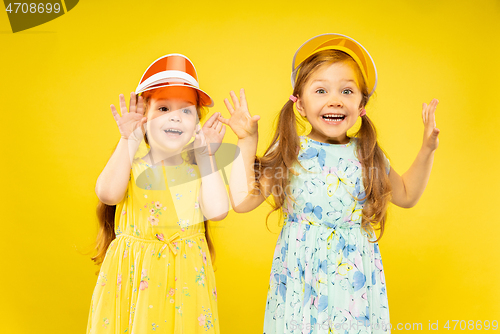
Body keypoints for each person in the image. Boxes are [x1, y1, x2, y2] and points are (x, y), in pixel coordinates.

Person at [219, 34, 440, 333]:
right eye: (321, 90)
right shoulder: (289, 150)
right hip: (301, 277)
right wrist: (246, 142)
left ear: (361, 105)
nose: (334, 99)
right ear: (299, 104)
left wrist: (427, 150)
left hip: (354, 280)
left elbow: (406, 194)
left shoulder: (367, 152)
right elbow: (243, 201)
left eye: (347, 91)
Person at [87, 53, 228, 334]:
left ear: (196, 123)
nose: (175, 117)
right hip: (135, 275)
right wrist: (128, 138)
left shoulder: (198, 167)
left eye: (186, 110)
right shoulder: (133, 161)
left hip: (187, 278)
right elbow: (107, 194)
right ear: (144, 118)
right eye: (163, 109)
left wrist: (206, 155)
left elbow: (218, 210)